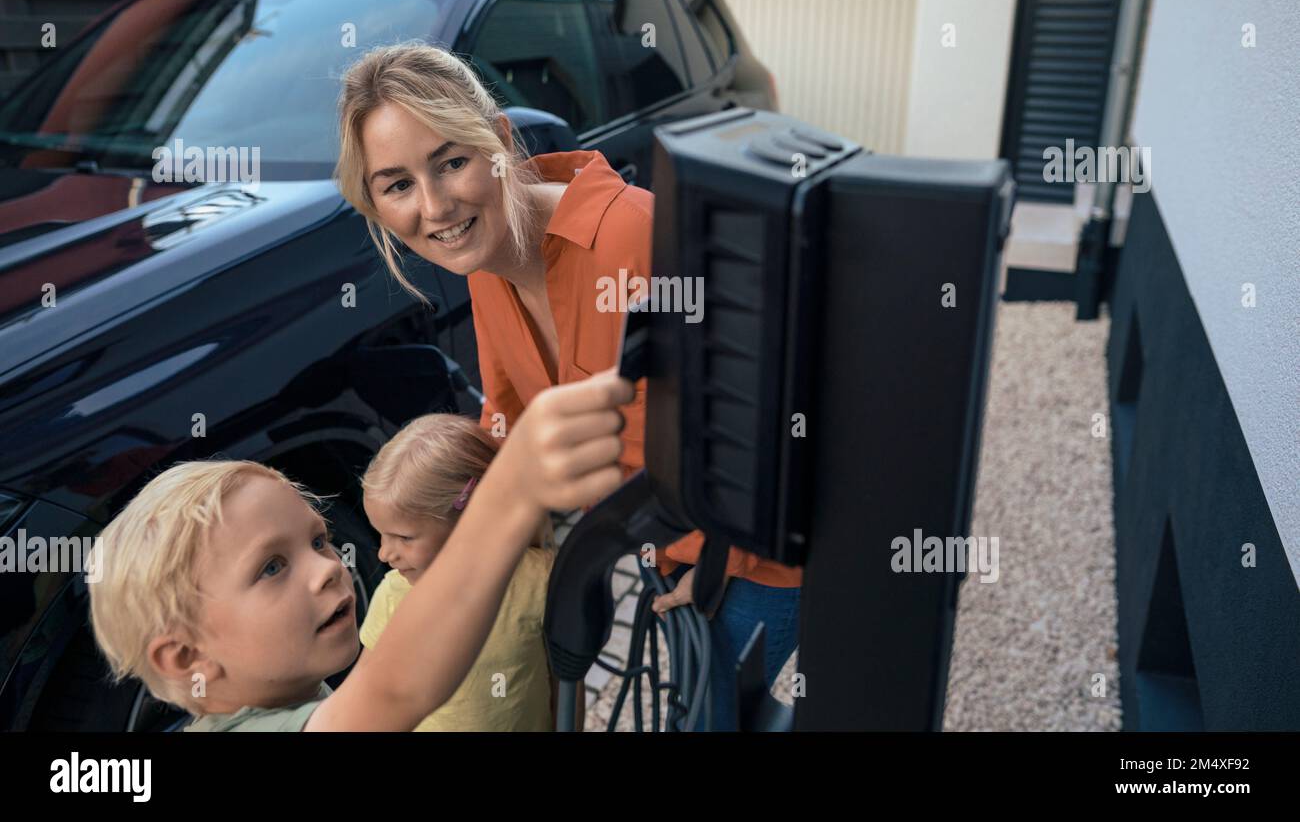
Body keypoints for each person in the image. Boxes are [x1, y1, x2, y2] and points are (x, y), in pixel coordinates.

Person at [334, 41, 802, 730]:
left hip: (752, 557)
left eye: (451, 162)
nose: (433, 206)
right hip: (667, 555)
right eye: (398, 184)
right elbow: (512, 430)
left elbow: (766, 417)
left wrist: (707, 564)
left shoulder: (633, 234)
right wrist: (439, 514)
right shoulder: (485, 265)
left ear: (497, 141)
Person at [86, 372, 633, 731]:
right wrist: (508, 497)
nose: (329, 569)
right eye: (271, 566)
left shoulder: (298, 694)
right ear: (188, 659)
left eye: (319, 540)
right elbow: (395, 690)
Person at [357, 413, 553, 730]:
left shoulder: (538, 581)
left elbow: (564, 677)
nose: (384, 553)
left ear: (473, 513)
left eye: (404, 537)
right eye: (381, 534)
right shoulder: (394, 596)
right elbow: (364, 698)